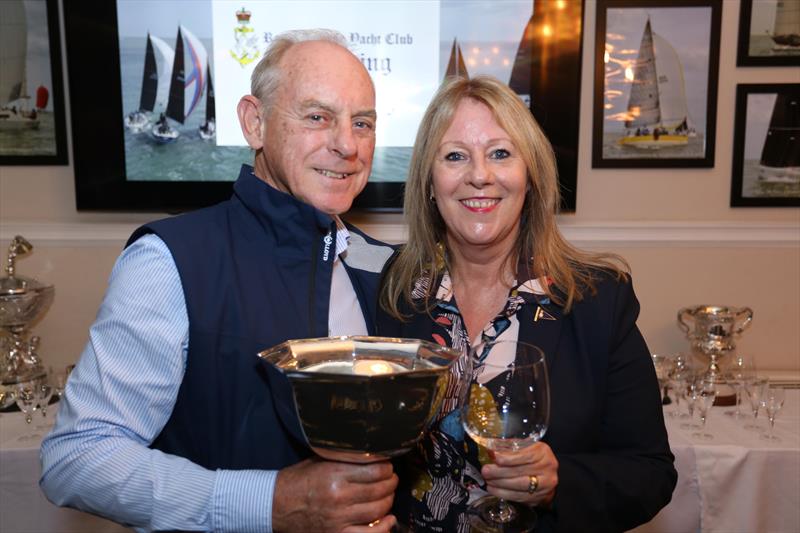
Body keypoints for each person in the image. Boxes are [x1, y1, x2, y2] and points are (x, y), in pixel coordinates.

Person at [40, 29, 399, 532]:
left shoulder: (381, 267)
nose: (347, 144)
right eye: (318, 117)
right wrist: (269, 503)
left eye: (362, 123)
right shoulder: (170, 261)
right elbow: (78, 458)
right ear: (255, 123)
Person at [376, 75, 677, 532]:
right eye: (455, 155)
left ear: (530, 176)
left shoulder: (596, 301)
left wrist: (559, 483)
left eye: (500, 153)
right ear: (428, 184)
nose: (480, 175)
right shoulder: (392, 290)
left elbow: (650, 473)